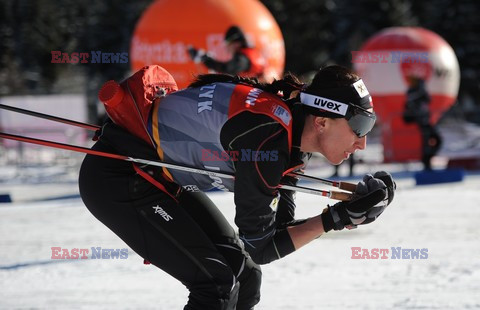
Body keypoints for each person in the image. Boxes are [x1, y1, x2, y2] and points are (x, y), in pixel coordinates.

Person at [79, 64, 396, 309]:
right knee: (216, 284)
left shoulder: (287, 133)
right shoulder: (267, 140)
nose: (363, 142)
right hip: (119, 177)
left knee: (245, 279)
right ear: (322, 121)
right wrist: (335, 219)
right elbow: (261, 246)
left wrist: (350, 206)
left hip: (153, 175)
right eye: (359, 125)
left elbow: (277, 228)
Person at [187, 25, 266, 79]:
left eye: (228, 44)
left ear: (236, 43)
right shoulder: (253, 53)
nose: (227, 49)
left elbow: (226, 68)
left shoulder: (242, 59)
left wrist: (205, 59)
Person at [402, 76, 442, 170]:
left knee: (436, 141)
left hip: (426, 120)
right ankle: (426, 163)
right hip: (421, 121)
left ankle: (427, 160)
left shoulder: (418, 92)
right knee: (428, 142)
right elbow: (412, 105)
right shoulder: (413, 92)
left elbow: (428, 99)